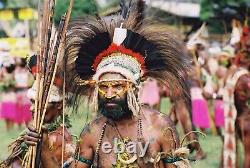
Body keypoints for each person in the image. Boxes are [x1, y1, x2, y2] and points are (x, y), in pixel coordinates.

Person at [0, 55, 75, 168]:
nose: (31, 108)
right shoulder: (35, 131)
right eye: (32, 101)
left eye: (40, 103)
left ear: (59, 105)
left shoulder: (59, 139)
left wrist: (43, 145)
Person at [222, 24, 250, 168]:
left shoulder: (234, 76)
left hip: (236, 119)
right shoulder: (245, 79)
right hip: (246, 120)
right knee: (248, 155)